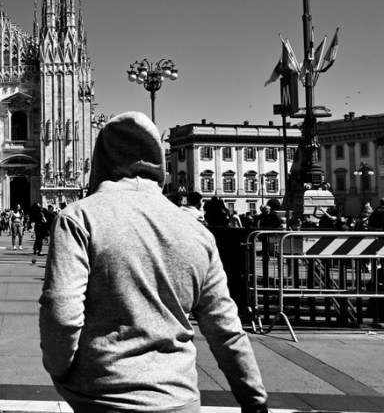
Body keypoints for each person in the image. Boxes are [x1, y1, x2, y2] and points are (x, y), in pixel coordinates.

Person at [38, 111, 268, 413]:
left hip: (103, 398)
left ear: (101, 158)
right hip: (180, 400)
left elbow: (61, 312)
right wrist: (254, 401)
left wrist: (60, 370)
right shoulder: (196, 231)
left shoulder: (80, 218)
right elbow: (225, 329)